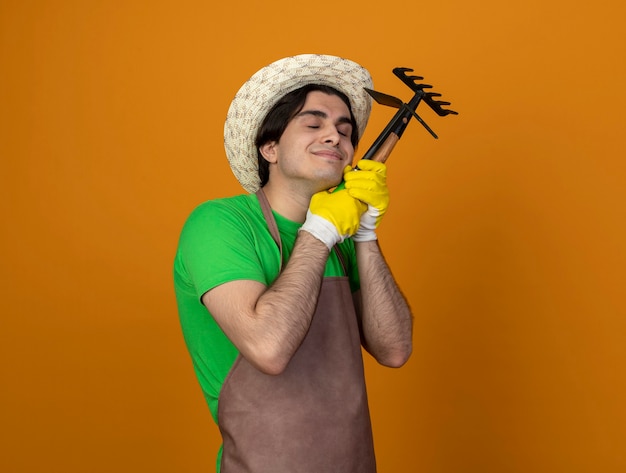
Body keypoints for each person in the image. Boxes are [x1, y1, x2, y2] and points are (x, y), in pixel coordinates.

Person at [173, 54, 413, 473]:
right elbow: (268, 348)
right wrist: (318, 232)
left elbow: (394, 350)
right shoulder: (219, 224)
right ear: (270, 148)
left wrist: (365, 233)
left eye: (345, 129)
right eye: (313, 123)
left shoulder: (342, 239)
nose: (335, 137)